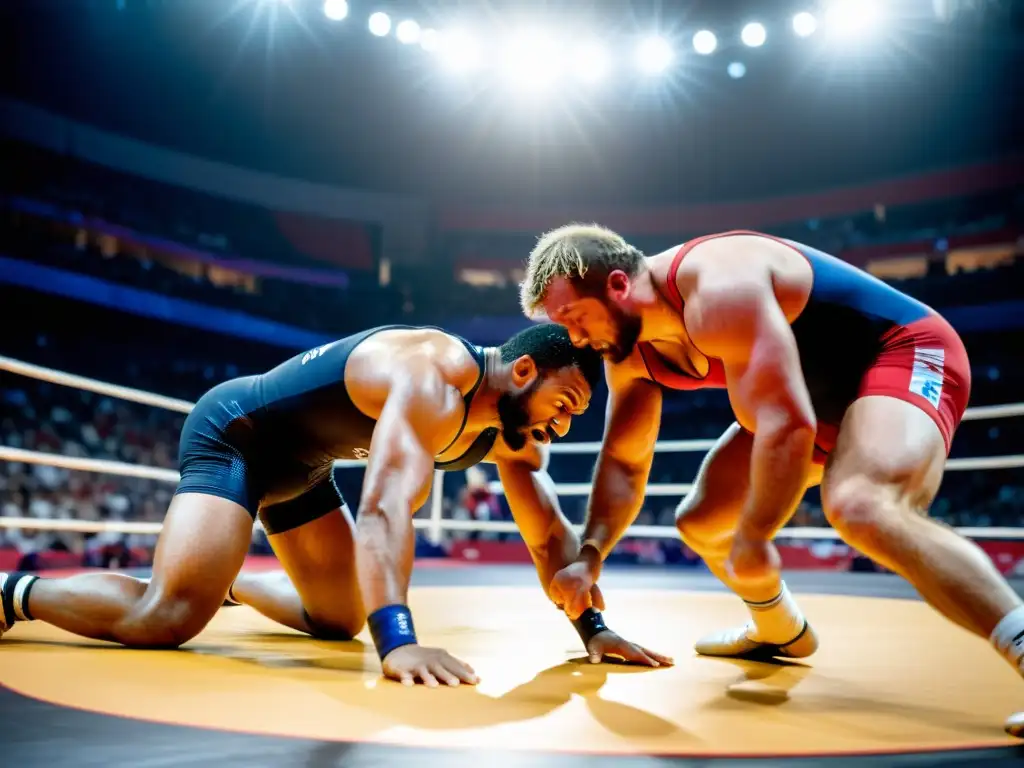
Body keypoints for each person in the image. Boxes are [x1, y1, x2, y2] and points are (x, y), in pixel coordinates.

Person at [518, 224, 1024, 735]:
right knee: (704, 522)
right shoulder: (627, 355)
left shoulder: (717, 285)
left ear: (619, 285)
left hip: (900, 353)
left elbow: (788, 423)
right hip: (801, 397)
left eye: (575, 319)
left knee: (859, 504)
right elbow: (626, 462)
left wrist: (758, 533)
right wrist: (590, 557)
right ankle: (780, 630)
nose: (576, 339)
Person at [0, 323, 672, 688]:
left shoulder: (512, 432)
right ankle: (13, 592)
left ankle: (226, 578)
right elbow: (383, 507)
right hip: (235, 435)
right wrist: (400, 642)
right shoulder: (431, 374)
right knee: (167, 617)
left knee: (340, 618)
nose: (562, 426)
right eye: (567, 405)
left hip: (304, 468)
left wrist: (595, 630)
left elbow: (546, 535)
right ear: (524, 372)